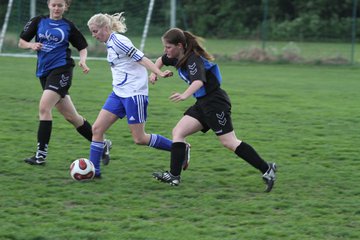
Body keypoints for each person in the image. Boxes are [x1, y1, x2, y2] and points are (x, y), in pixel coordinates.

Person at [150, 28, 277, 192]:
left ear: (179, 45)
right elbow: (160, 60)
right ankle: (174, 176)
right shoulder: (176, 57)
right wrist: (155, 73)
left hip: (215, 103)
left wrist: (184, 95)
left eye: (168, 47)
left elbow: (198, 82)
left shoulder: (193, 60)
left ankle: (267, 169)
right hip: (202, 103)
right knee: (178, 132)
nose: (166, 51)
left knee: (229, 142)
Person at [86, 13, 190, 178]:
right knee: (97, 129)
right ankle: (93, 172)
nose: (94, 35)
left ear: (105, 28)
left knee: (140, 138)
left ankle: (180, 148)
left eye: (95, 31)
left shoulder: (119, 41)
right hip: (118, 93)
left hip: (134, 93)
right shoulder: (109, 43)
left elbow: (142, 59)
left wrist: (159, 73)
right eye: (92, 32)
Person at [18, 0, 111, 166]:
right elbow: (21, 42)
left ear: (65, 7)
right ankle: (102, 144)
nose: (56, 8)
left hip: (62, 69)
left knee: (44, 108)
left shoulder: (68, 26)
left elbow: (82, 46)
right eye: (53, 4)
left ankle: (40, 155)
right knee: (72, 117)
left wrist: (83, 61)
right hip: (44, 72)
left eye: (60, 5)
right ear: (48, 5)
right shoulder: (38, 21)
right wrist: (31, 45)